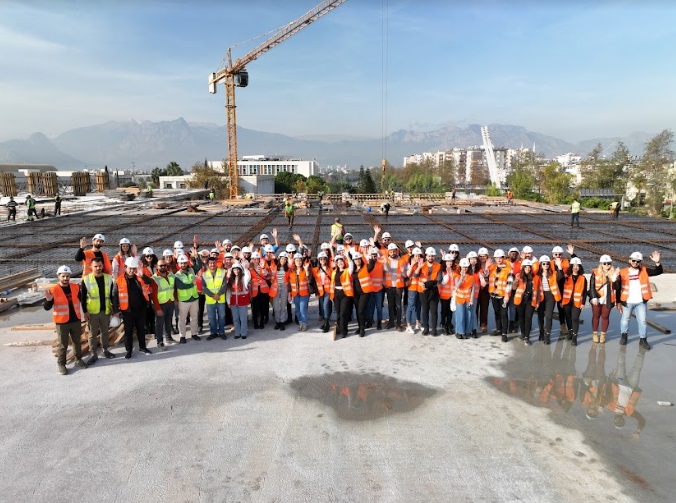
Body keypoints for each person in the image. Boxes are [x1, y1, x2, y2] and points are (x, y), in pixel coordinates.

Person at [44, 265, 87, 375]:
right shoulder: (53, 290)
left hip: (76, 319)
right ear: (58, 276)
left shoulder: (75, 287)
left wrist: (86, 313)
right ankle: (61, 364)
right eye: (63, 276)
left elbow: (83, 301)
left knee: (77, 342)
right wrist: (49, 301)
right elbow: (47, 307)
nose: (65, 278)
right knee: (63, 345)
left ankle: (78, 360)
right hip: (62, 322)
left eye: (68, 276)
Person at [616, 251, 662, 350]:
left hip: (641, 302)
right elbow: (617, 288)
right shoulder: (622, 272)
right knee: (625, 320)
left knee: (642, 321)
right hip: (627, 301)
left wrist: (657, 263)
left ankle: (643, 340)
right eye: (633, 260)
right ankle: (624, 336)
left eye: (638, 261)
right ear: (629, 260)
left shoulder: (644, 271)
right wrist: (618, 301)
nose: (635, 263)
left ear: (640, 262)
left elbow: (658, 271)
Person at [112, 257, 152, 359]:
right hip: (127, 311)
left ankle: (142, 347)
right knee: (128, 331)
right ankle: (129, 350)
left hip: (140, 309)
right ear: (125, 267)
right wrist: (116, 311)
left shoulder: (139, 278)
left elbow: (149, 282)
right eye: (130, 268)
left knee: (141, 330)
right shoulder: (118, 280)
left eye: (134, 268)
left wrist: (141, 274)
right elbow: (114, 296)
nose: (132, 270)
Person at [81, 257, 116, 364]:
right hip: (92, 312)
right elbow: (82, 298)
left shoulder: (109, 278)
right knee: (92, 333)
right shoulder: (86, 280)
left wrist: (113, 308)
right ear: (91, 267)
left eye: (100, 266)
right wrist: (85, 312)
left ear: (103, 266)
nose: (98, 268)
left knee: (105, 332)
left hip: (105, 310)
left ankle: (105, 350)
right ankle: (93, 353)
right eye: (95, 266)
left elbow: (111, 295)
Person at [588, 255, 620, 344]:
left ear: (611, 264)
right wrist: (593, 297)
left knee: (605, 317)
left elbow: (617, 288)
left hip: (608, 299)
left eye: (608, 263)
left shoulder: (615, 274)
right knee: (596, 316)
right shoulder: (595, 272)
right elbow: (592, 285)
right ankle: (595, 334)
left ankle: (603, 334)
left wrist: (614, 280)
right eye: (604, 263)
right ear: (601, 264)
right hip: (597, 298)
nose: (607, 265)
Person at [513, 259, 542, 346]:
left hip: (531, 301)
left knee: (528, 318)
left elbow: (539, 290)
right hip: (520, 301)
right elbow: (514, 288)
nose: (528, 268)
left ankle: (527, 337)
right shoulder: (519, 276)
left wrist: (538, 302)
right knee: (521, 318)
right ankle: (523, 334)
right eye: (526, 267)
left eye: (529, 267)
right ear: (523, 268)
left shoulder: (536, 278)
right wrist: (516, 280)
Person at [488, 249, 513, 342]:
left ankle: (504, 333)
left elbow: (509, 283)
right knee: (497, 312)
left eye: (500, 258)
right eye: (497, 258)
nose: (498, 259)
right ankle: (499, 329)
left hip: (503, 296)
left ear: (503, 258)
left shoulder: (508, 269)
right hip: (494, 295)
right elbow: (488, 277)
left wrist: (507, 295)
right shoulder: (492, 267)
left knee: (504, 314)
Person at [561, 257, 587, 346]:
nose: (575, 267)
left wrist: (583, 303)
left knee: (575, 318)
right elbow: (561, 288)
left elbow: (584, 292)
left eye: (577, 266)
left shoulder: (583, 278)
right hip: (567, 301)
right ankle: (570, 332)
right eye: (574, 265)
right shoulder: (566, 277)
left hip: (577, 302)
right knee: (568, 317)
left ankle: (575, 337)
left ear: (580, 267)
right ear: (571, 266)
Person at [174, 254, 201, 341]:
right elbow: (181, 286)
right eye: (181, 263)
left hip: (194, 298)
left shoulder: (192, 270)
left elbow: (199, 265)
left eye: (184, 263)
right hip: (184, 300)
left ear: (187, 263)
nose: (183, 265)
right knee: (182, 319)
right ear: (178, 264)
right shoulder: (177, 275)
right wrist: (192, 283)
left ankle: (194, 333)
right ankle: (182, 336)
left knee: (194, 317)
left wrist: (196, 256)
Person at [417, 247, 442, 336]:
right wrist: (419, 267)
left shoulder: (438, 266)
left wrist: (431, 283)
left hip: (434, 291)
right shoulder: (422, 265)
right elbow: (416, 275)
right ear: (426, 256)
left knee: (434, 311)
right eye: (429, 256)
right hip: (423, 291)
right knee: (425, 310)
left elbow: (439, 280)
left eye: (432, 256)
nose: (430, 258)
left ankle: (434, 329)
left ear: (434, 256)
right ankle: (426, 328)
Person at [152, 258, 175, 348]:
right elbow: (153, 296)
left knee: (168, 321)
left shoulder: (171, 275)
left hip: (170, 302)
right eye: (161, 265)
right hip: (161, 304)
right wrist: (157, 308)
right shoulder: (154, 279)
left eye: (164, 265)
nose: (163, 267)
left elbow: (174, 288)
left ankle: (169, 338)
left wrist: (175, 299)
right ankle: (160, 341)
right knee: (159, 323)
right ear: (157, 267)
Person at [329, 254, 354, 340]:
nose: (340, 263)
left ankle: (344, 331)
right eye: (338, 262)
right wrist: (332, 296)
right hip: (336, 294)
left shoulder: (347, 271)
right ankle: (339, 328)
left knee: (343, 313)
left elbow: (351, 264)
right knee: (339, 313)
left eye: (341, 261)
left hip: (345, 294)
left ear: (344, 262)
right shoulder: (334, 272)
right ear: (336, 263)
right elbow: (332, 284)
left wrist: (347, 255)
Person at [202, 256, 226, 341]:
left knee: (222, 317)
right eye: (210, 263)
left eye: (213, 263)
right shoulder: (204, 274)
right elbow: (204, 287)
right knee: (211, 318)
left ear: (216, 263)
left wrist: (218, 294)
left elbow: (224, 285)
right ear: (208, 265)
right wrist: (213, 295)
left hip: (221, 298)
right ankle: (213, 333)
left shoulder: (222, 272)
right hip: (210, 300)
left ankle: (222, 332)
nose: (212, 265)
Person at [383, 243, 406, 331]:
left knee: (398, 306)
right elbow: (384, 273)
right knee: (390, 305)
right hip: (389, 286)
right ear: (389, 252)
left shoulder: (402, 261)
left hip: (398, 286)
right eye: (391, 251)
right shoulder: (386, 261)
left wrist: (404, 273)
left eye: (394, 251)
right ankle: (391, 322)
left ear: (397, 251)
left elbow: (405, 274)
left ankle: (399, 324)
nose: (392, 253)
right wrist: (384, 281)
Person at [288, 253, 312, 331]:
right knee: (297, 310)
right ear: (294, 261)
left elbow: (309, 280)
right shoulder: (291, 271)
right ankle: (300, 322)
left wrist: (306, 270)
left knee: (302, 309)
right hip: (295, 294)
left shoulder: (305, 269)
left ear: (302, 261)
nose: (298, 262)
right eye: (297, 260)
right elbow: (289, 284)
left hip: (304, 293)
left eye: (300, 260)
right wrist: (289, 294)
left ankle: (304, 324)